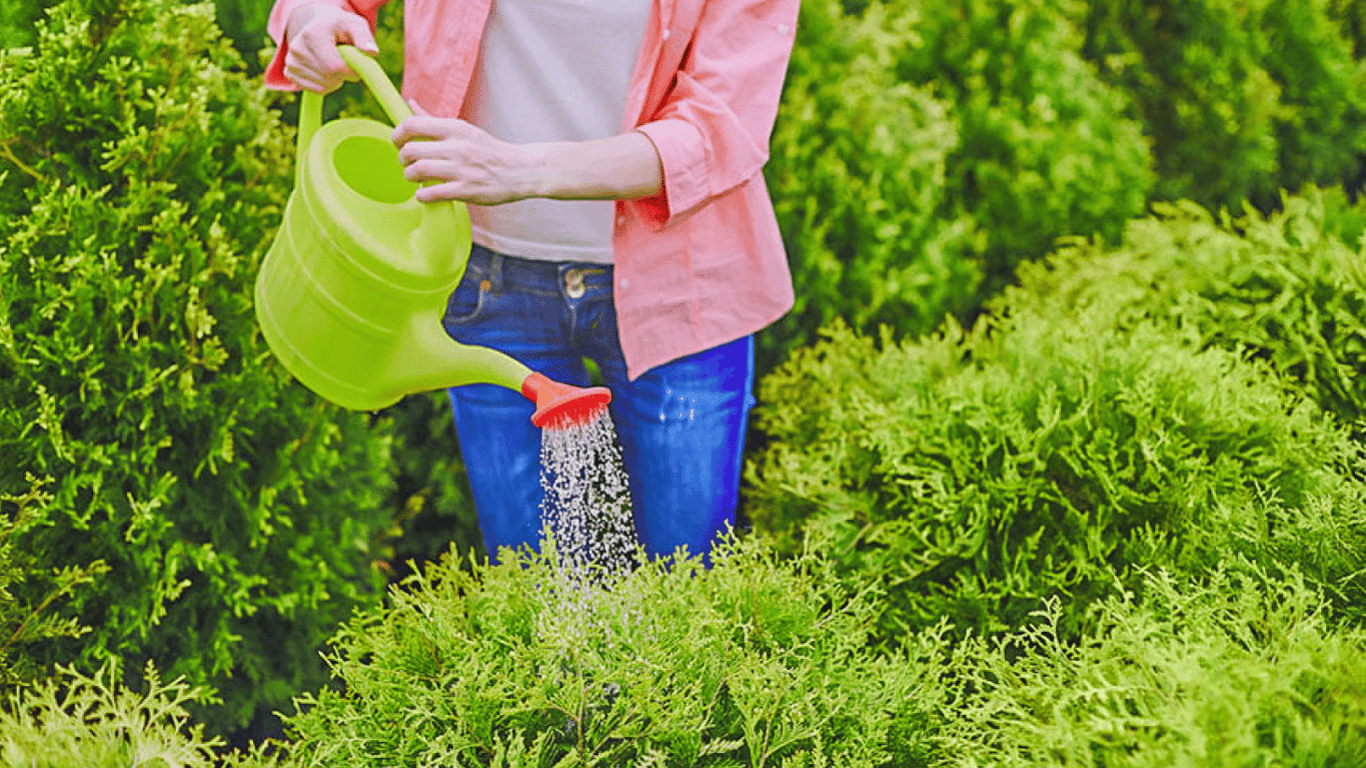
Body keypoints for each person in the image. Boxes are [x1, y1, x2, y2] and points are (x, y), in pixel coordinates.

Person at [265, 0, 797, 566]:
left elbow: (721, 127)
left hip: (682, 286)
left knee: (688, 588)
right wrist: (312, 22)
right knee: (540, 599)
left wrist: (523, 170)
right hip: (489, 284)